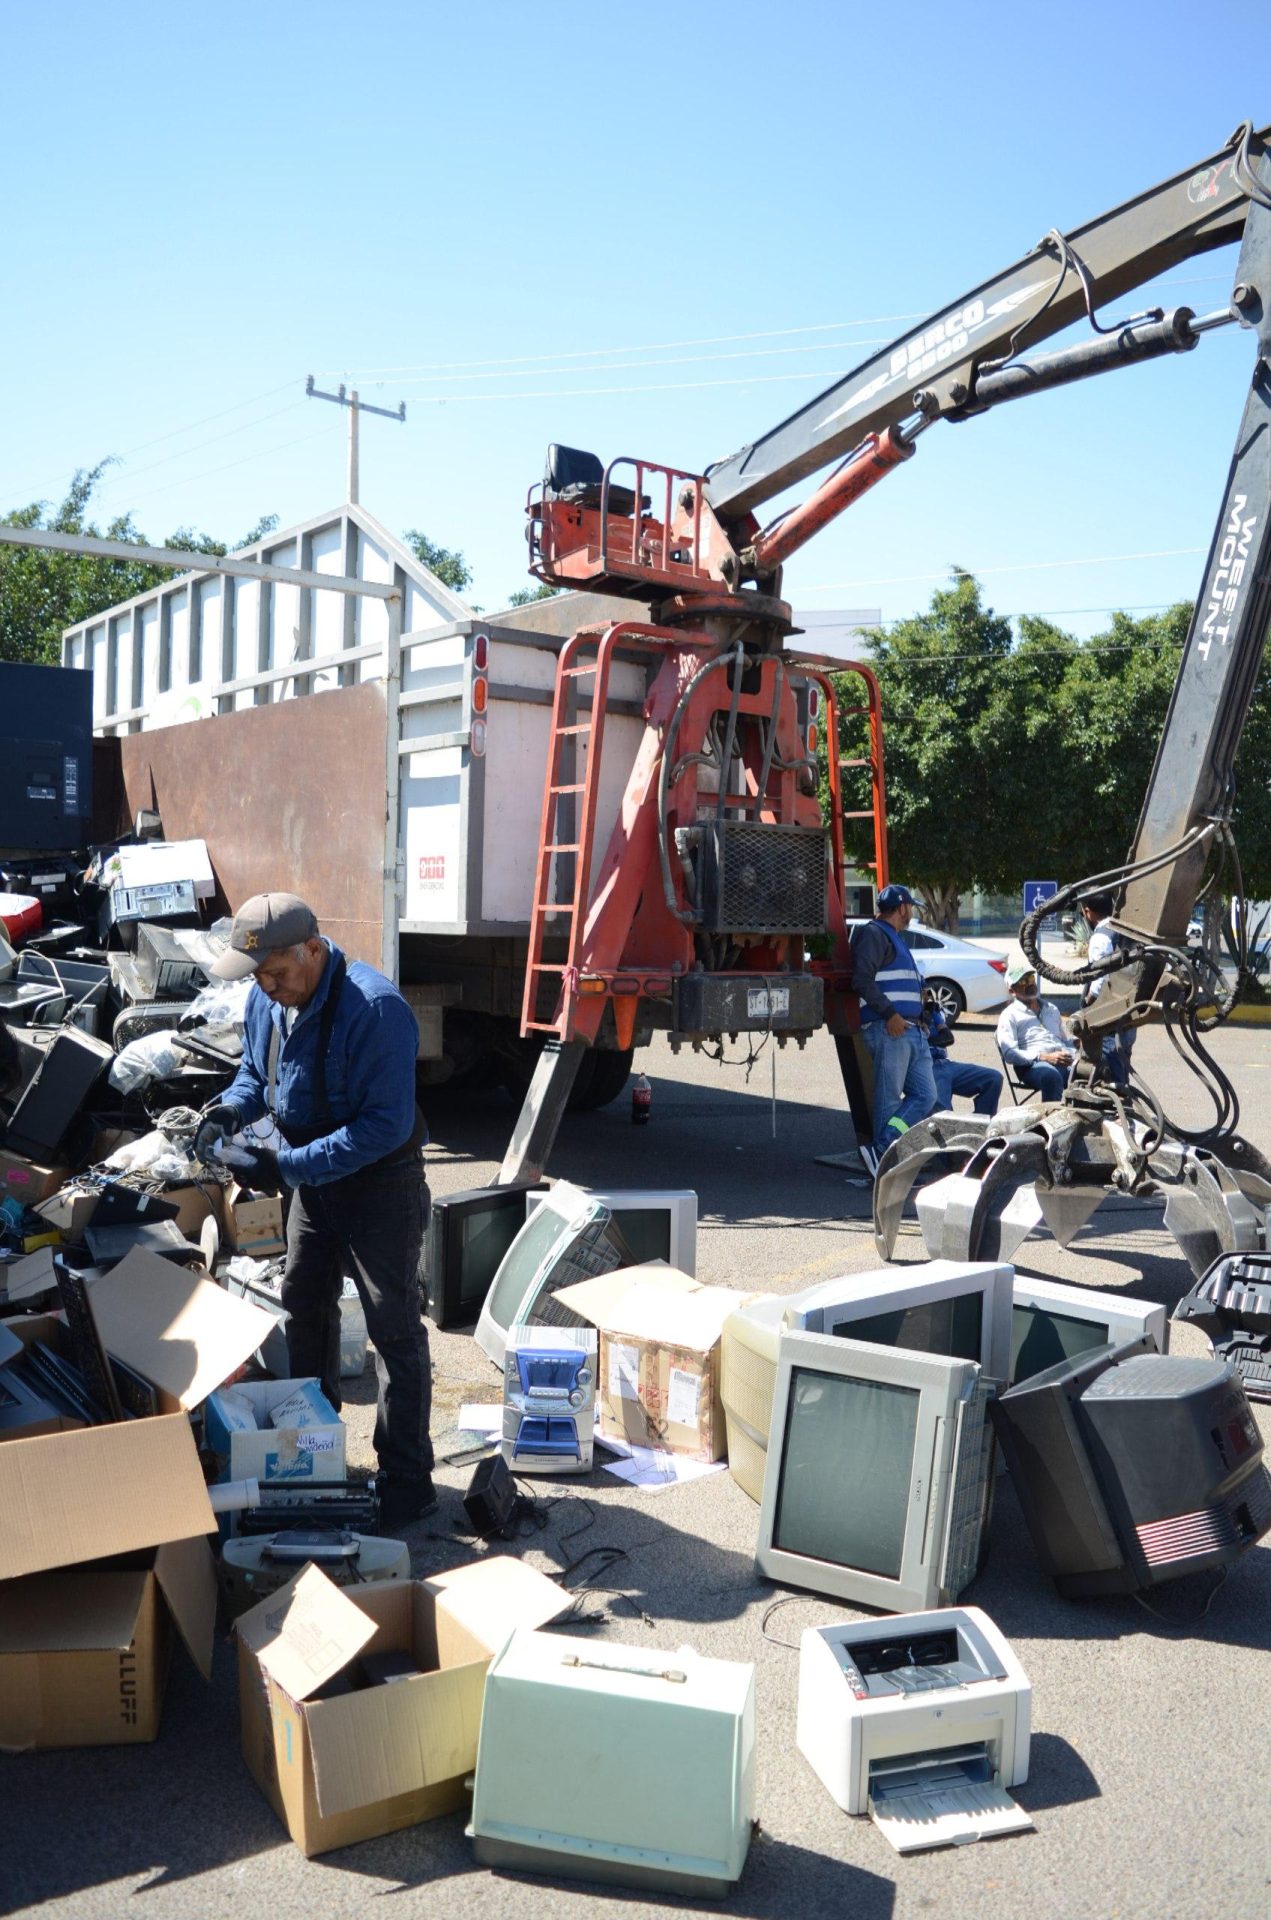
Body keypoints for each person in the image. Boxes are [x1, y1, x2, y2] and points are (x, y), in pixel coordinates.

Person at [194, 893, 435, 1531]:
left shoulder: (375, 1008)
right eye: (259, 978)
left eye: (276, 973)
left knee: (394, 1330)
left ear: (311, 949)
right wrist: (227, 1111)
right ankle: (317, 1454)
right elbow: (254, 1075)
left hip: (382, 1185)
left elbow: (385, 1125)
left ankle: (408, 1478)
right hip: (313, 1184)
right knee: (304, 1307)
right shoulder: (267, 1000)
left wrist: (283, 1169)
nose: (268, 989)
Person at [850, 883, 937, 1174]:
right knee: (887, 1101)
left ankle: (883, 1147)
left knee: (925, 1095)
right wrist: (890, 1015)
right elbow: (862, 980)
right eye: (910, 907)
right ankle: (884, 1164)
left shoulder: (895, 938)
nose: (911, 912)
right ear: (902, 908)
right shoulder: (875, 934)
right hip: (890, 1030)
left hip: (910, 1031)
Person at [995, 957, 1075, 1102]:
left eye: (1031, 979)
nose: (1030, 984)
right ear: (1012, 990)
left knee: (1095, 1071)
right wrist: (1043, 1057)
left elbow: (1063, 1041)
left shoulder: (1051, 1009)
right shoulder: (1009, 1015)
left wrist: (1078, 1043)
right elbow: (1010, 1054)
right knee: (1051, 1076)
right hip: (1033, 1066)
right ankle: (1049, 1120)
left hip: (1063, 1062)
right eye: (1023, 982)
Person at [1079, 891, 1134, 1087]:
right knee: (1122, 1059)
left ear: (1088, 912)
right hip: (1126, 1007)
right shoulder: (1124, 931)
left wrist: (1090, 1000)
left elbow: (1100, 974)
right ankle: (1122, 1103)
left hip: (1107, 1012)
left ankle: (1118, 1107)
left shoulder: (1100, 937)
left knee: (1109, 1060)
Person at [925, 992, 1002, 1115]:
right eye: (923, 992)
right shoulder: (907, 1016)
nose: (926, 995)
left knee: (993, 1078)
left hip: (945, 1064)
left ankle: (979, 1126)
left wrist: (931, 1015)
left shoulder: (931, 1011)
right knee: (942, 1111)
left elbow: (948, 1038)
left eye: (927, 992)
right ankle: (947, 1132)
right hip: (926, 1067)